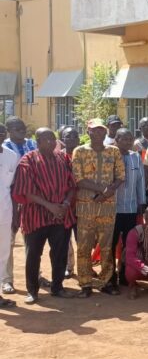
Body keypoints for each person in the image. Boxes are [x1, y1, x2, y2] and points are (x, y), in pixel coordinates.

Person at [11, 128, 76, 304]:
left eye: (53, 139)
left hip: (60, 215)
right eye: (46, 139)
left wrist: (65, 204)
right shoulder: (28, 160)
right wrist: (50, 206)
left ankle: (57, 287)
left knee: (60, 253)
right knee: (33, 255)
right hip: (35, 216)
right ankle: (32, 291)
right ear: (38, 141)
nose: (51, 142)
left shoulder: (63, 159)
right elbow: (26, 191)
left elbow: (72, 185)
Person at [72, 119, 125, 298]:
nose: (98, 133)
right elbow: (79, 179)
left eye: (101, 130)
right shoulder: (79, 151)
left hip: (107, 206)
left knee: (107, 246)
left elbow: (120, 176)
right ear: (88, 131)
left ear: (105, 132)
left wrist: (107, 193)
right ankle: (85, 283)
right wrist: (103, 190)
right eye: (94, 130)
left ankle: (106, 281)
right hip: (86, 206)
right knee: (84, 246)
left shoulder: (113, 151)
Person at [111, 128, 146, 287]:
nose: (127, 142)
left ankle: (124, 273)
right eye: (124, 139)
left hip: (131, 208)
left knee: (129, 243)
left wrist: (141, 202)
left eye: (130, 139)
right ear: (116, 140)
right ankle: (110, 275)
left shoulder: (136, 157)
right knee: (111, 243)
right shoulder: (109, 155)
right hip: (112, 209)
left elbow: (140, 180)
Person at [0, 125, 17, 298]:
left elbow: (13, 187)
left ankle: (3, 283)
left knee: (4, 250)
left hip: (5, 210)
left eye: (1, 134)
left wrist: (15, 214)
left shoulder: (11, 156)